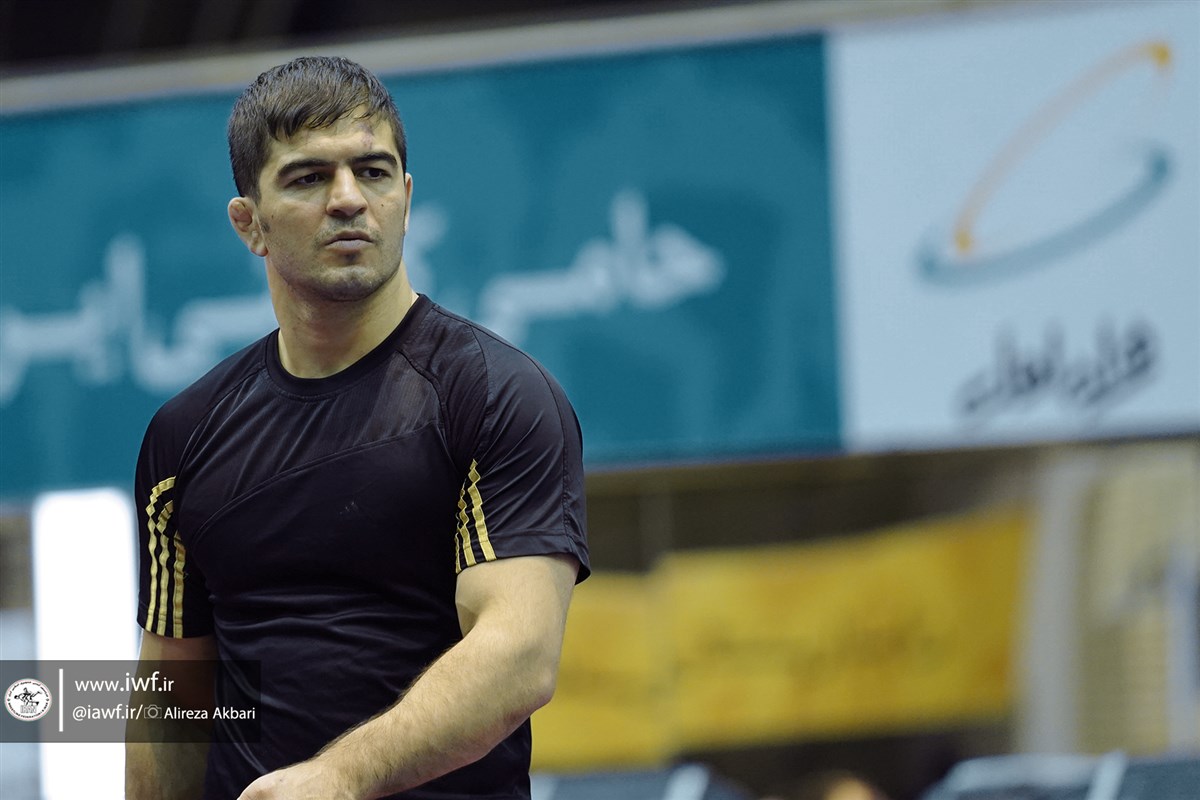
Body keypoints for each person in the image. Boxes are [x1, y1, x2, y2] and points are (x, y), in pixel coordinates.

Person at [124, 55, 589, 800]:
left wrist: (340, 778)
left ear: (405, 198)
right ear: (249, 224)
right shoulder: (183, 438)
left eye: (372, 172)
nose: (348, 199)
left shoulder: (495, 394)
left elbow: (520, 655)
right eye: (308, 178)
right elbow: (172, 699)